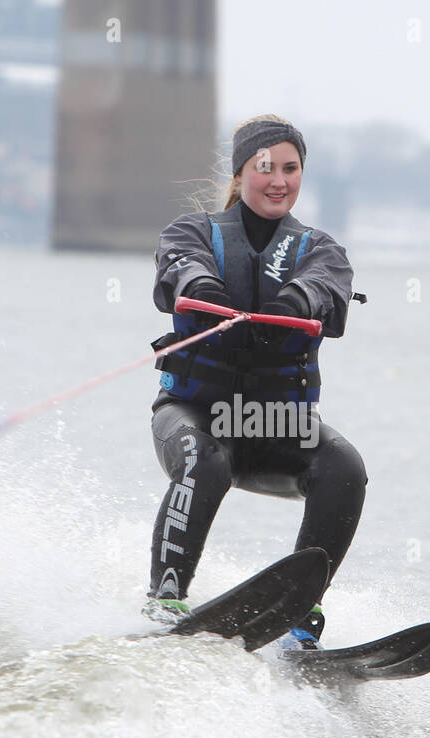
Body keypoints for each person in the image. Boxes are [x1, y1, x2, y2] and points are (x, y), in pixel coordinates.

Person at [144, 115, 367, 648]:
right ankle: (165, 600)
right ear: (242, 171)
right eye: (266, 167)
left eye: (291, 169)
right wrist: (201, 283)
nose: (279, 180)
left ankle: (300, 615)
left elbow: (328, 286)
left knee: (344, 467)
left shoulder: (322, 250)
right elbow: (179, 265)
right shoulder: (191, 231)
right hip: (194, 414)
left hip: (274, 425)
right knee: (206, 459)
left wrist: (300, 298)